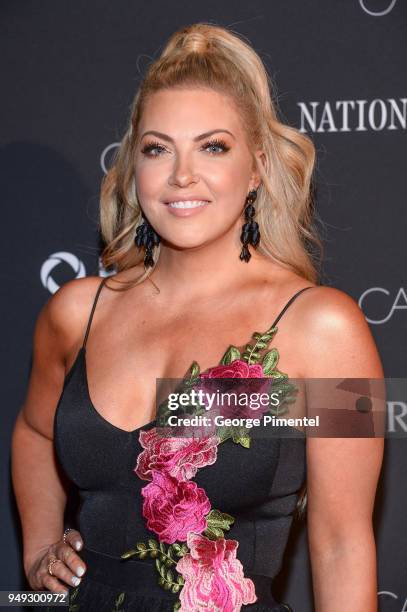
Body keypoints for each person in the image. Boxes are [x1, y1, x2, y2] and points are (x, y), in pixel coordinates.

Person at [11, 22, 384, 612]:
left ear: (257, 166)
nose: (182, 175)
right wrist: (37, 549)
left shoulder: (323, 329)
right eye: (158, 149)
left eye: (213, 146)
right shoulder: (77, 312)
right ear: (135, 166)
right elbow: (34, 431)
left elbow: (341, 545)